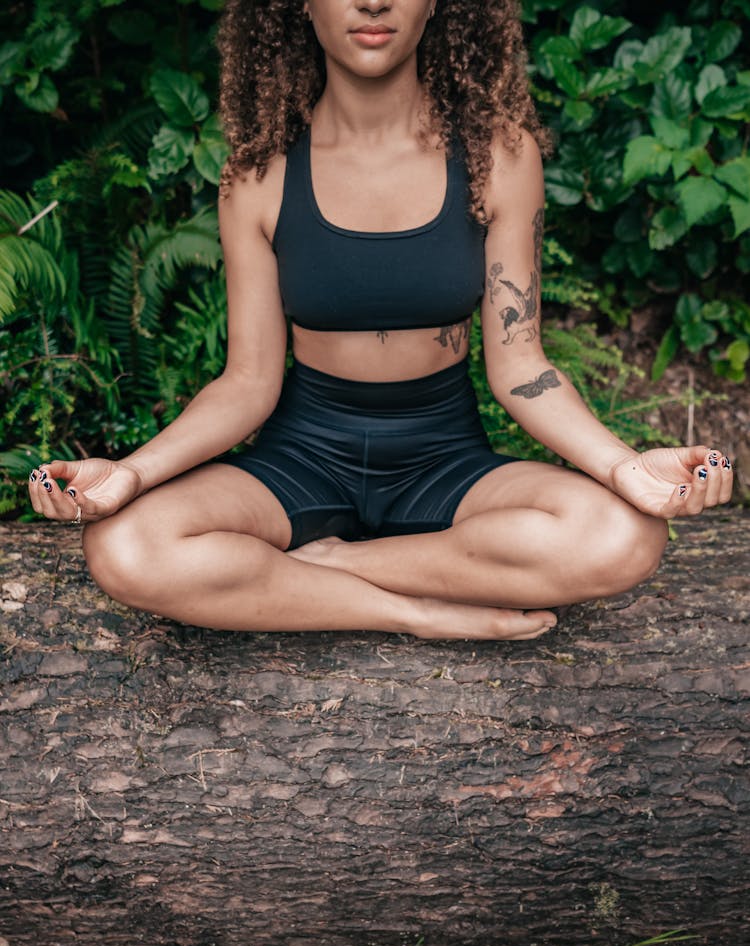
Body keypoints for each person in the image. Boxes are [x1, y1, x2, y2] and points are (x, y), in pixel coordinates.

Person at [28, 0, 733, 641]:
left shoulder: (498, 156)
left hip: (444, 458)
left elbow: (521, 365)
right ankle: (410, 608)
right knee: (124, 547)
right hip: (302, 459)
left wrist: (624, 468)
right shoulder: (259, 175)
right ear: (299, 5)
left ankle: (335, 564)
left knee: (624, 537)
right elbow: (246, 383)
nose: (373, 2)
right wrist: (131, 475)